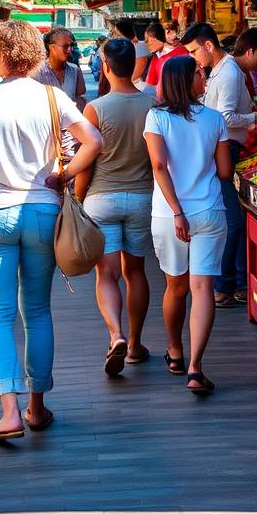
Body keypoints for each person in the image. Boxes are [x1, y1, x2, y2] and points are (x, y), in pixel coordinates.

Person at [0, 20, 102, 441]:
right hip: (41, 211)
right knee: (37, 311)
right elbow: (93, 142)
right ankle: (37, 407)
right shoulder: (53, 97)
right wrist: (62, 175)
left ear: (0, 52)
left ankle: (8, 412)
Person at [144, 55, 231, 396]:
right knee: (202, 289)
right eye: (198, 72)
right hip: (209, 210)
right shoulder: (214, 119)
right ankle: (196, 367)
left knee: (175, 287)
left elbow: (158, 166)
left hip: (169, 215)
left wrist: (177, 211)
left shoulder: (156, 118)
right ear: (186, 80)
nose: (203, 75)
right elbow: (224, 172)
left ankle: (175, 352)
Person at [181, 23, 257, 308]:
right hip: (225, 149)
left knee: (231, 218)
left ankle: (231, 283)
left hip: (225, 148)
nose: (194, 59)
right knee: (233, 221)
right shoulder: (228, 72)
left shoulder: (227, 71)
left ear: (208, 46)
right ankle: (225, 284)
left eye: (194, 51)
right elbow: (226, 118)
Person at [76, 38, 154, 376]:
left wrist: (78, 199)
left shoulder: (96, 109)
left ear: (105, 67)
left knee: (106, 273)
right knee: (135, 272)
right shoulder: (153, 104)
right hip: (142, 199)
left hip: (101, 199)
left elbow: (86, 163)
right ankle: (135, 345)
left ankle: (115, 334)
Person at [31, 28, 86, 113]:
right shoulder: (36, 72)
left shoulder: (75, 71)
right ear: (51, 47)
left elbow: (80, 99)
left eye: (71, 45)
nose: (69, 50)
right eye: (65, 46)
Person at [144, 21, 188, 92]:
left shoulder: (184, 51)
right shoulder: (157, 57)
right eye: (168, 33)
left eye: (174, 32)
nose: (173, 36)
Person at [113, 18, 149, 86]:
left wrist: (128, 83)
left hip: (141, 84)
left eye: (117, 33)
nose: (116, 35)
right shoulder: (135, 45)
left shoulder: (139, 46)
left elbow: (141, 65)